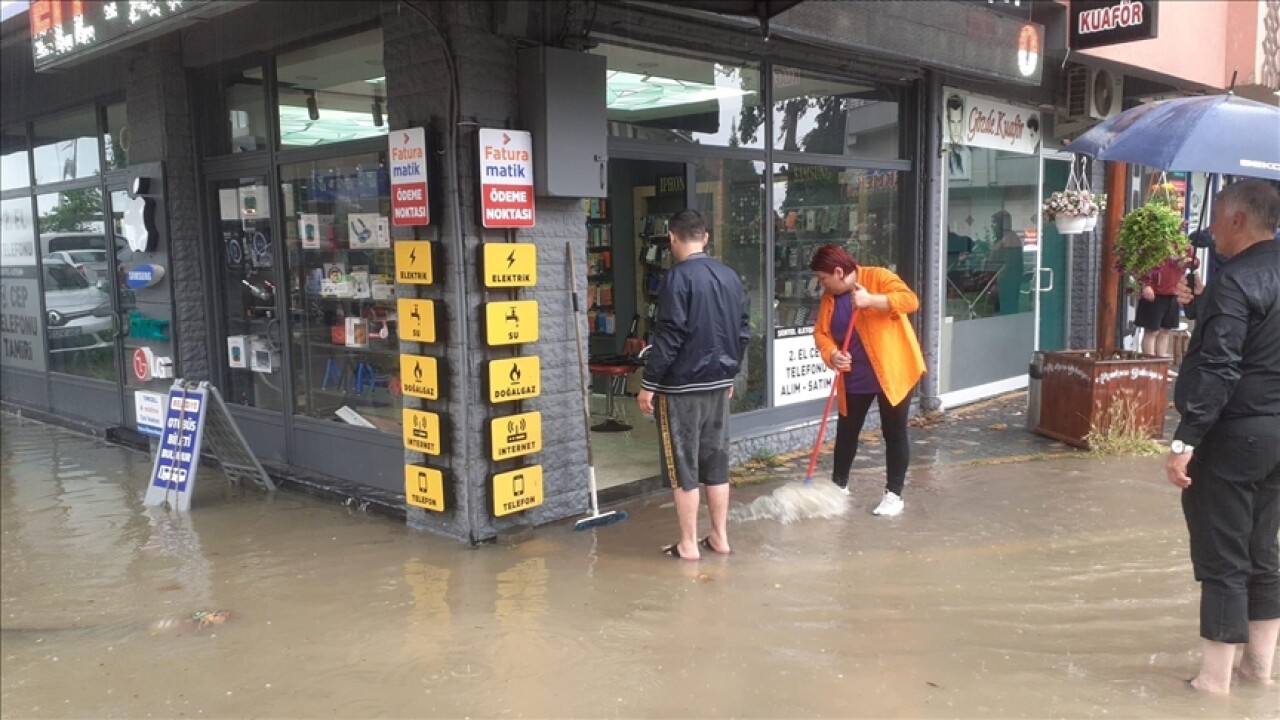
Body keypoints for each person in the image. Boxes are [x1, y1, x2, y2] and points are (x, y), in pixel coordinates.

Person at [1166, 179, 1280, 694]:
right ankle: (1261, 670)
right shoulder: (1235, 282)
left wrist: (1184, 440)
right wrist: (1200, 307)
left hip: (1236, 434)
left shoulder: (1236, 280)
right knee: (1263, 550)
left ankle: (1213, 683)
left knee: (1223, 554)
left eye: (1215, 217)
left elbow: (1219, 364)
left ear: (1237, 220)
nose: (1210, 228)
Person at [637, 209, 749, 561]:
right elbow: (743, 330)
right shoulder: (730, 276)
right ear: (705, 237)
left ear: (671, 238)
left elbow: (670, 335)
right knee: (716, 462)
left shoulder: (677, 278)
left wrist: (649, 383)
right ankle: (719, 537)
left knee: (683, 465)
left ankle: (688, 544)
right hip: (719, 384)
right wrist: (730, 373)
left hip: (681, 388)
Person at [810, 244, 926, 517]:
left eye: (823, 278)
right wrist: (833, 354)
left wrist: (872, 300)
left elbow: (910, 301)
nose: (821, 284)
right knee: (847, 431)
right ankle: (838, 487)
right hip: (855, 374)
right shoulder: (829, 297)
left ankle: (894, 495)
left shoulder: (878, 277)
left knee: (893, 432)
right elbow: (821, 334)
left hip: (892, 370)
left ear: (839, 272)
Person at [1135, 247, 1198, 358]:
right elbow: (1140, 264)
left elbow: (1193, 263)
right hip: (1155, 293)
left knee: (1165, 330)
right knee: (1152, 331)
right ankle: (1150, 365)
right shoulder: (1155, 241)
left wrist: (1193, 260)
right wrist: (1145, 284)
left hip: (1173, 293)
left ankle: (1161, 364)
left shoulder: (1182, 244)